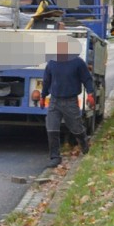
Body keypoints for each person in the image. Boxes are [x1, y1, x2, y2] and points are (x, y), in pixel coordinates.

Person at [41, 38, 96, 168]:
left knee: (76, 128)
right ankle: (55, 157)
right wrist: (43, 96)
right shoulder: (52, 63)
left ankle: (84, 144)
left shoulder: (77, 63)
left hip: (70, 101)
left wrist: (90, 94)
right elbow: (46, 81)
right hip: (54, 101)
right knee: (52, 128)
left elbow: (87, 79)